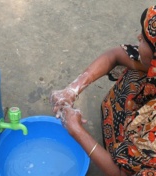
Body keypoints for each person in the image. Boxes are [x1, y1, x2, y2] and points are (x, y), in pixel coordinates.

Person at [50, 5, 156, 176]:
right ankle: (117, 140)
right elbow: (116, 55)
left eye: (143, 39)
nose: (138, 37)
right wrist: (72, 89)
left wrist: (77, 131)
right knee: (135, 75)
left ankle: (122, 156)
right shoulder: (153, 64)